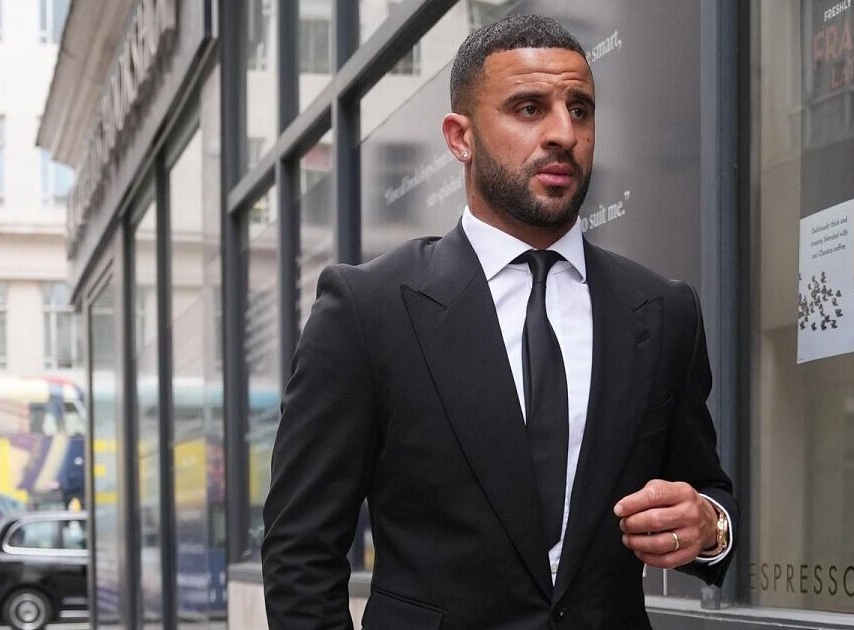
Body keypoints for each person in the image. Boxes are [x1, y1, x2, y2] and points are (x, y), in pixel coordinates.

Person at [262, 13, 736, 629]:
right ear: (460, 137)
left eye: (581, 110)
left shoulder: (664, 311)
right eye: (529, 108)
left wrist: (710, 527)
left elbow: (704, 490)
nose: (563, 133)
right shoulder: (368, 309)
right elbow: (300, 552)